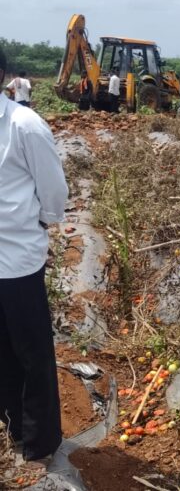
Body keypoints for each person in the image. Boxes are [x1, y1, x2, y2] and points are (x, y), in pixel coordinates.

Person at [0, 48, 68, 474]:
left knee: (31, 351)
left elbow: (53, 190)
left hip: (17, 258)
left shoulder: (24, 126)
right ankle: (14, 426)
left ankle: (39, 440)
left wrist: (44, 222)